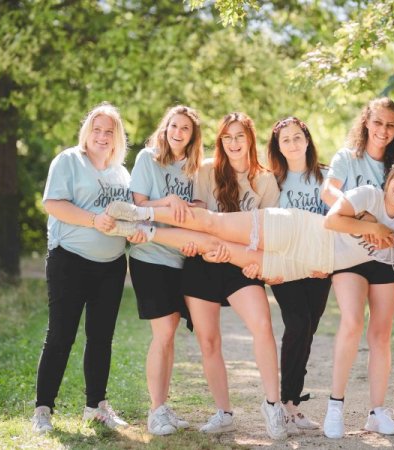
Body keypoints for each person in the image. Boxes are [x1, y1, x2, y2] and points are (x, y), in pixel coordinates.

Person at [102, 161, 394, 292]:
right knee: (209, 223)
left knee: (215, 249)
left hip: (308, 263)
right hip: (298, 230)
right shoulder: (369, 195)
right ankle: (143, 215)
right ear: (389, 182)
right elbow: (334, 220)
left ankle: (145, 233)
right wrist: (373, 231)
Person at [171, 112, 288, 440]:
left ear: (251, 139)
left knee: (262, 326)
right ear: (220, 141)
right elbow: (194, 219)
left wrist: (251, 260)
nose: (234, 143)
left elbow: (270, 233)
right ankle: (224, 413)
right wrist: (210, 247)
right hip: (203, 262)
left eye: (240, 136)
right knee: (208, 341)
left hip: (242, 264)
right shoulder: (206, 170)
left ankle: (273, 405)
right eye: (227, 137)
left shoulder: (265, 180)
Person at [31, 102, 145, 434]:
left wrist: (135, 232)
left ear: (117, 136)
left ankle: (96, 407)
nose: (102, 136)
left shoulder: (121, 173)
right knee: (60, 335)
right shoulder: (69, 160)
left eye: (109, 131)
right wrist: (95, 220)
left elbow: (127, 217)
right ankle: (42, 410)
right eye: (96, 129)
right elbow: (52, 204)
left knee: (101, 338)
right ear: (87, 132)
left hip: (110, 266)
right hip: (69, 261)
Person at [319, 97, 394, 438]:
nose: (384, 131)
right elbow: (329, 192)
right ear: (366, 123)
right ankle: (335, 406)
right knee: (353, 321)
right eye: (378, 123)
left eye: (391, 125)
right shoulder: (348, 157)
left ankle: (376, 411)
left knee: (381, 334)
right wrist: (365, 219)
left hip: (386, 254)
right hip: (348, 253)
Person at [127, 105, 203, 435]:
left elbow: (201, 207)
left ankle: (164, 405)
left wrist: (189, 211)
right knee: (163, 335)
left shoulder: (196, 168)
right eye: (174, 125)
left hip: (180, 259)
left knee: (170, 336)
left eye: (185, 128)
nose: (178, 132)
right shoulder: (148, 158)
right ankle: (155, 411)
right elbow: (137, 205)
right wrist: (169, 201)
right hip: (150, 256)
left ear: (192, 135)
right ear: (165, 127)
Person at [265, 117, 331, 432]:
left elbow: (337, 222)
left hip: (319, 266)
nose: (292, 144)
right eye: (285, 140)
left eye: (296, 137)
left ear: (307, 140)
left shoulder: (327, 177)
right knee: (298, 323)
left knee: (308, 331)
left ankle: (293, 404)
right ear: (278, 147)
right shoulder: (271, 181)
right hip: (286, 264)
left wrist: (329, 263)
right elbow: (264, 224)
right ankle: (284, 403)